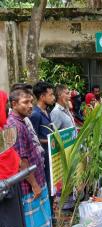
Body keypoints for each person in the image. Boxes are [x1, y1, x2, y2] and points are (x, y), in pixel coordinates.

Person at [7, 87, 54, 227]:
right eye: (25, 102)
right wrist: (34, 185)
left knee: (42, 222)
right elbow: (21, 161)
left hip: (37, 181)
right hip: (29, 188)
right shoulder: (15, 126)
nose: (29, 106)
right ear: (14, 104)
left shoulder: (21, 122)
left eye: (31, 102)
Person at [0, 90, 28, 227]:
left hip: (11, 185)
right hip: (5, 190)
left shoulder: (2, 130)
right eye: (4, 104)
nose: (7, 109)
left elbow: (11, 156)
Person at [30, 81, 55, 216]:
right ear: (42, 96)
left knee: (52, 184)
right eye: (50, 95)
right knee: (47, 183)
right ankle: (49, 215)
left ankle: (51, 213)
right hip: (43, 156)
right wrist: (50, 141)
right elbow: (33, 137)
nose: (53, 97)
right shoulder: (35, 114)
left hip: (51, 154)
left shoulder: (47, 111)